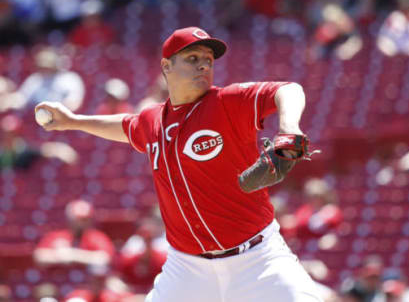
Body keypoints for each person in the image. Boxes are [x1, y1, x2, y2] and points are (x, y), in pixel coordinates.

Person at [35, 26, 322, 302]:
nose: (203, 66)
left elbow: (289, 90)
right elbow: (124, 126)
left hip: (258, 259)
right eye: (192, 58)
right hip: (187, 269)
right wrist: (73, 121)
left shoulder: (227, 101)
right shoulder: (152, 121)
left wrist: (290, 129)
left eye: (208, 60)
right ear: (166, 66)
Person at [34, 199, 115, 269]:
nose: (81, 223)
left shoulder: (97, 237)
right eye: (78, 219)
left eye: (85, 219)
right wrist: (59, 256)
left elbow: (105, 258)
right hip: (58, 280)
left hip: (88, 282)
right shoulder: (58, 236)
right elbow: (39, 256)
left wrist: (74, 255)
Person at [2, 47, 85, 112]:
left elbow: (74, 103)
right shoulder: (35, 79)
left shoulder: (69, 79)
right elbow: (22, 98)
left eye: (47, 66)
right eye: (42, 66)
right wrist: (8, 101)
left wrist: (55, 112)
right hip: (37, 118)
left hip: (60, 119)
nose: (45, 69)